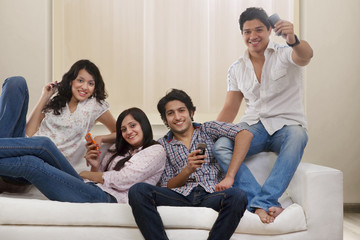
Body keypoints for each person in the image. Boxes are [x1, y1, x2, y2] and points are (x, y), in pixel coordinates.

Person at [213, 7, 313, 223]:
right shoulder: (236, 68)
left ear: (269, 29)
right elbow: (230, 108)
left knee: (298, 135)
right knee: (220, 144)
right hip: (254, 127)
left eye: (258, 29)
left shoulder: (286, 53)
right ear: (242, 34)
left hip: (286, 126)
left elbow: (306, 56)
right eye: (247, 31)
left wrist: (293, 39)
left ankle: (264, 201)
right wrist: (205, 135)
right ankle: (257, 200)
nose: (253, 36)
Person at [0, 78, 166, 203]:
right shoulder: (118, 150)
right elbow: (97, 175)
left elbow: (125, 179)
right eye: (123, 129)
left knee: (32, 164)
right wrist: (94, 165)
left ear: (144, 125)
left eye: (133, 125)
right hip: (87, 186)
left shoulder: (155, 150)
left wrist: (88, 174)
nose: (128, 132)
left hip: (103, 197)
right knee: (44, 144)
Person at [128, 89, 248, 240]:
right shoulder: (161, 145)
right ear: (165, 120)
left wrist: (230, 176)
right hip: (180, 196)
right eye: (170, 113)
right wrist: (188, 170)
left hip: (211, 194)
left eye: (181, 110)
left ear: (191, 112)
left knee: (238, 195)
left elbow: (244, 134)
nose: (177, 117)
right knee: (138, 190)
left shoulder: (208, 129)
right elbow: (168, 185)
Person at [25, 59, 116, 168]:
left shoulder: (95, 106)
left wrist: (100, 138)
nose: (85, 87)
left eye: (90, 83)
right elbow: (28, 134)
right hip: (31, 152)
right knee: (17, 84)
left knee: (45, 143)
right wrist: (44, 96)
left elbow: (118, 133)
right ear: (71, 81)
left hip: (52, 163)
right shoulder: (55, 102)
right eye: (80, 80)